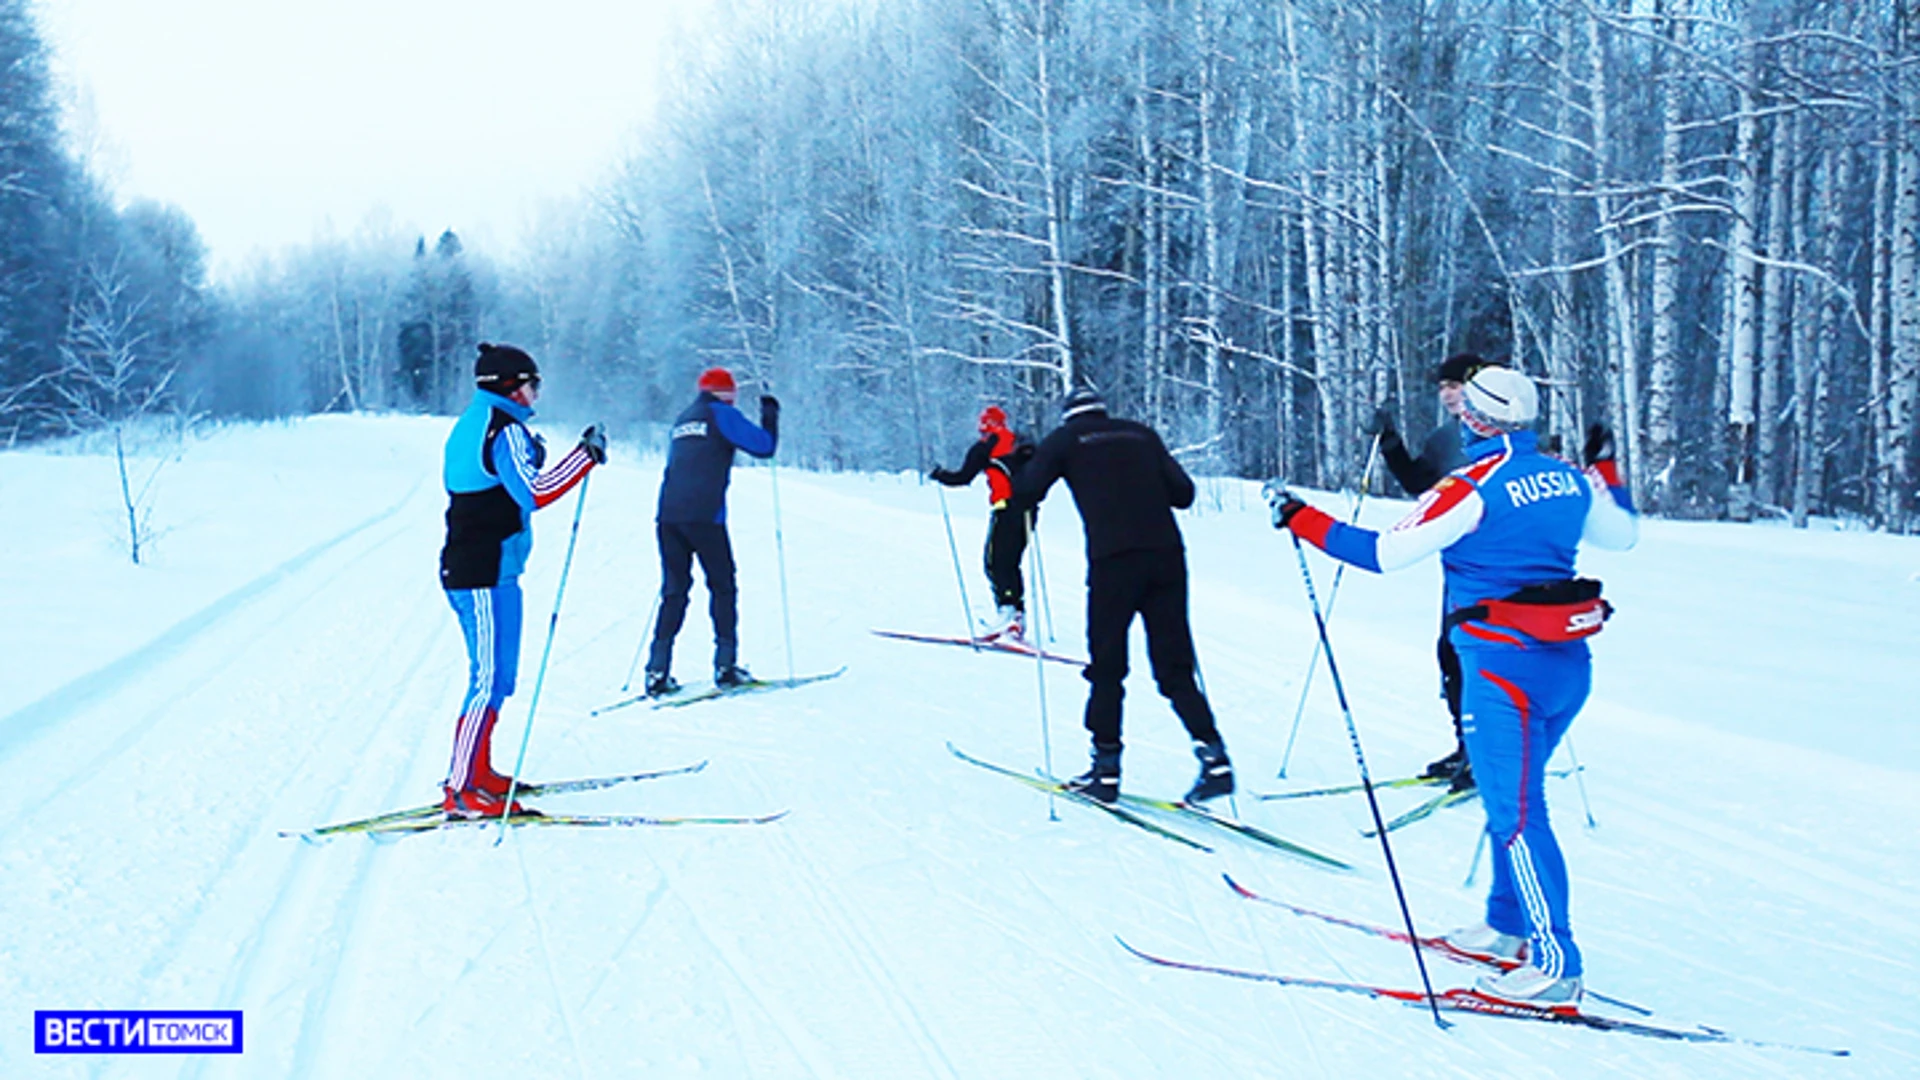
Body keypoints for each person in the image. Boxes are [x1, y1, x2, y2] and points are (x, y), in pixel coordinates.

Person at [1269, 365, 1637, 1007]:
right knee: (1512, 797)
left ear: (1473, 419)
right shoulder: (1567, 478)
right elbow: (1623, 535)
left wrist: (1303, 518)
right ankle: (1505, 927)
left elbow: (1383, 553)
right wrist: (1607, 472)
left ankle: (1556, 964)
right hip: (1565, 663)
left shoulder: (1471, 485)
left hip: (1500, 668)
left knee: (1516, 813)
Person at [1009, 386, 1232, 806]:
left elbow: (1026, 492)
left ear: (1069, 416)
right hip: (1167, 557)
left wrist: (1023, 460)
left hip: (1114, 561)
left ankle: (1105, 772)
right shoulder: (1141, 434)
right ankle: (1215, 759)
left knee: (1108, 667)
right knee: (1174, 667)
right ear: (1103, 411)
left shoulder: (1065, 440)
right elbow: (1183, 495)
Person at [439, 343, 605, 818]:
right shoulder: (504, 430)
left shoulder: (476, 423)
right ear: (510, 387)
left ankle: (481, 774)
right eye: (533, 384)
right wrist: (584, 457)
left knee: (498, 678)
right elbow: (533, 493)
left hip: (484, 569)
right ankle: (460, 789)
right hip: (483, 573)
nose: (536, 393)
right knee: (489, 680)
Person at [1360, 352, 1504, 790]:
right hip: (1459, 565)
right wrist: (1389, 440)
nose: (1447, 395)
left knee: (1487, 656)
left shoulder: (1506, 435)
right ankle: (1469, 748)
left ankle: (1491, 755)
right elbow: (1419, 483)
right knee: (1452, 653)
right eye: (1443, 388)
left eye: (1455, 386)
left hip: (1499, 564)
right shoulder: (1447, 438)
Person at [643, 367, 779, 697]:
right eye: (732, 393)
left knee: (674, 591)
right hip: (705, 517)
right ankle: (725, 666)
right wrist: (770, 413)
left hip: (667, 516)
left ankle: (657, 671)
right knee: (723, 586)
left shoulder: (683, 419)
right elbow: (764, 447)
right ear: (725, 392)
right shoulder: (722, 414)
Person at [930, 405, 1034, 640]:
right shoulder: (1021, 442)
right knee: (1012, 562)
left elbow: (962, 477)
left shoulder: (985, 447)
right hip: (1028, 511)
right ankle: (1017, 614)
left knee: (995, 562)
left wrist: (939, 474)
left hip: (1004, 509)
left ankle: (1008, 613)